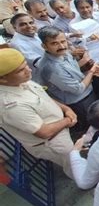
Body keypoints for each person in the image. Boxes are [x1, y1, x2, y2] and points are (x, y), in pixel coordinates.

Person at [0, 49, 75, 177]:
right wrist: (68, 120)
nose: (28, 70)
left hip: (60, 128)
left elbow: (43, 97)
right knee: (73, 166)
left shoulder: (20, 81)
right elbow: (44, 132)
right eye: (20, 70)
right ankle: (85, 183)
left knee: (75, 158)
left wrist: (66, 109)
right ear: (3, 79)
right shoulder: (10, 105)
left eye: (25, 65)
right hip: (53, 142)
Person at [36, 27, 99, 129]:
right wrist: (92, 71)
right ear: (44, 46)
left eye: (63, 41)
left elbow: (73, 71)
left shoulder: (63, 53)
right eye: (54, 43)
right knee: (93, 125)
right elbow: (77, 90)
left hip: (87, 92)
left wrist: (84, 66)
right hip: (79, 101)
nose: (61, 46)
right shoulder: (51, 68)